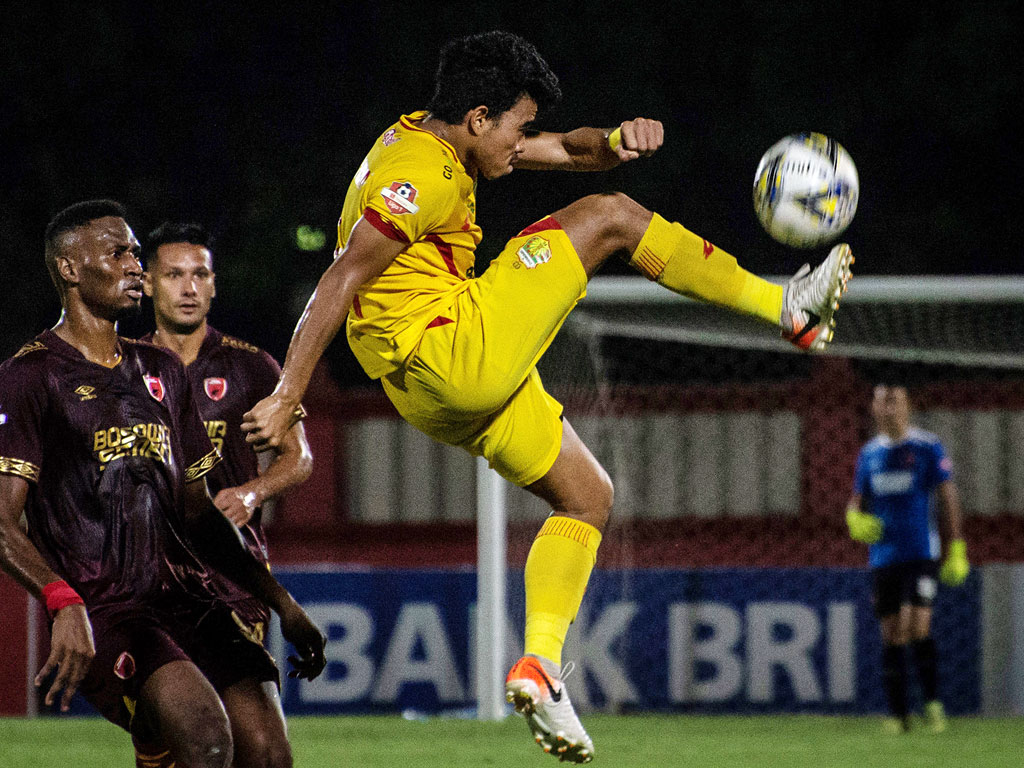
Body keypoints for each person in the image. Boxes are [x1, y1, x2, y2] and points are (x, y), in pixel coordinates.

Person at [241, 31, 853, 763]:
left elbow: (567, 151)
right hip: (451, 346)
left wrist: (615, 139)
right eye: (516, 126)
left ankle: (541, 667)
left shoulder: (433, 134)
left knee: (587, 495)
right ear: (476, 118)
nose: (521, 141)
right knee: (611, 217)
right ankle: (786, 306)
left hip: (428, 390)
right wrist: (287, 395)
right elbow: (340, 277)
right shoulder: (421, 174)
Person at [0, 200, 325, 768]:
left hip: (192, 596)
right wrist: (61, 600)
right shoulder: (30, 376)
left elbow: (198, 514)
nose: (134, 265)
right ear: (70, 269)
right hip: (109, 608)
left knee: (269, 754)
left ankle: (154, 748)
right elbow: (2, 522)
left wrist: (282, 602)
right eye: (118, 252)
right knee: (206, 740)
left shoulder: (162, 372)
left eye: (133, 251)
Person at [140, 221, 312, 646]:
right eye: (174, 275)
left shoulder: (252, 367)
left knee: (249, 706)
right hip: (149, 570)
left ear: (214, 284)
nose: (189, 288)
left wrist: (253, 492)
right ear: (147, 284)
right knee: (169, 708)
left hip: (235, 569)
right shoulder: (125, 369)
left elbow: (300, 457)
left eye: (200, 274)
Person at [846, 384, 970, 733]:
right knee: (891, 633)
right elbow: (857, 500)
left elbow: (948, 497)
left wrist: (956, 547)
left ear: (907, 406)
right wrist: (853, 518)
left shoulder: (927, 447)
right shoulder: (869, 454)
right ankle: (899, 715)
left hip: (921, 552)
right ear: (873, 407)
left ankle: (932, 704)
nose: (888, 408)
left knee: (917, 625)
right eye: (881, 401)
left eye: (894, 401)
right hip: (884, 556)